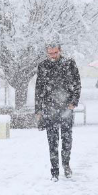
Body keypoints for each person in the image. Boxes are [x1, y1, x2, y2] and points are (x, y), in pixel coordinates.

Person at [35, 43, 81, 181]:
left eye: (55, 53)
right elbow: (39, 88)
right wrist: (38, 109)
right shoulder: (43, 66)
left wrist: (74, 102)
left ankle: (66, 165)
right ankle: (54, 171)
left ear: (60, 51)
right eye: (50, 53)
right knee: (52, 140)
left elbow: (77, 83)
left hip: (66, 107)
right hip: (49, 108)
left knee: (67, 138)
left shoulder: (69, 63)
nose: (53, 56)